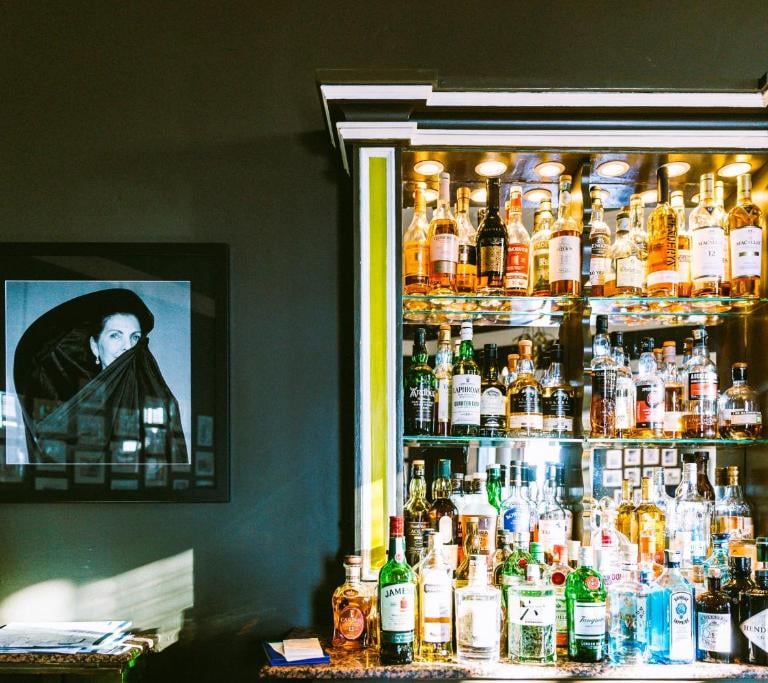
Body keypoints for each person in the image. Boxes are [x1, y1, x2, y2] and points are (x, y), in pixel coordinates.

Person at [13, 287, 188, 469]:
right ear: (95, 347)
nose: (127, 346)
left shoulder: (158, 404)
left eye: (135, 338)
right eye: (115, 336)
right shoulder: (75, 408)